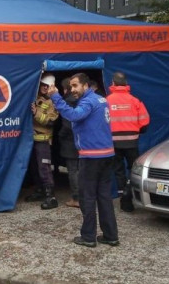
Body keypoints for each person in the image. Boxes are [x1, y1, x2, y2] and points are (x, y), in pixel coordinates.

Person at [49, 73, 118, 247]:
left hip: (92, 156)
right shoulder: (101, 100)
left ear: (85, 86)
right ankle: (110, 235)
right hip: (106, 154)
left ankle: (88, 237)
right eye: (71, 86)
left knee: (87, 198)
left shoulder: (88, 102)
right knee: (104, 197)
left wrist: (56, 97)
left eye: (75, 86)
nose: (72, 89)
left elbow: (73, 115)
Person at [105, 72, 150, 212]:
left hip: (114, 143)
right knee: (133, 169)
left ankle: (122, 195)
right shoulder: (135, 100)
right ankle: (130, 193)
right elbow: (145, 122)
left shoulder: (106, 101)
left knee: (118, 170)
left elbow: (101, 123)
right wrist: (136, 132)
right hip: (131, 142)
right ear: (126, 83)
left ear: (113, 83)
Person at [25, 73, 60, 209]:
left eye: (48, 86)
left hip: (44, 140)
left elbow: (51, 122)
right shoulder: (35, 98)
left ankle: (51, 197)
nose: (45, 88)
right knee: (34, 167)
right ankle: (39, 190)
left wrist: (36, 113)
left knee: (44, 168)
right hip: (31, 139)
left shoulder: (54, 102)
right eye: (43, 85)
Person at [57, 77, 80, 208]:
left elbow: (67, 125)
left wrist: (60, 136)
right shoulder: (82, 100)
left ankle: (76, 198)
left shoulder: (67, 103)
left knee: (72, 171)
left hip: (70, 142)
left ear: (65, 89)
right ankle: (85, 195)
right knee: (81, 170)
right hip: (82, 141)